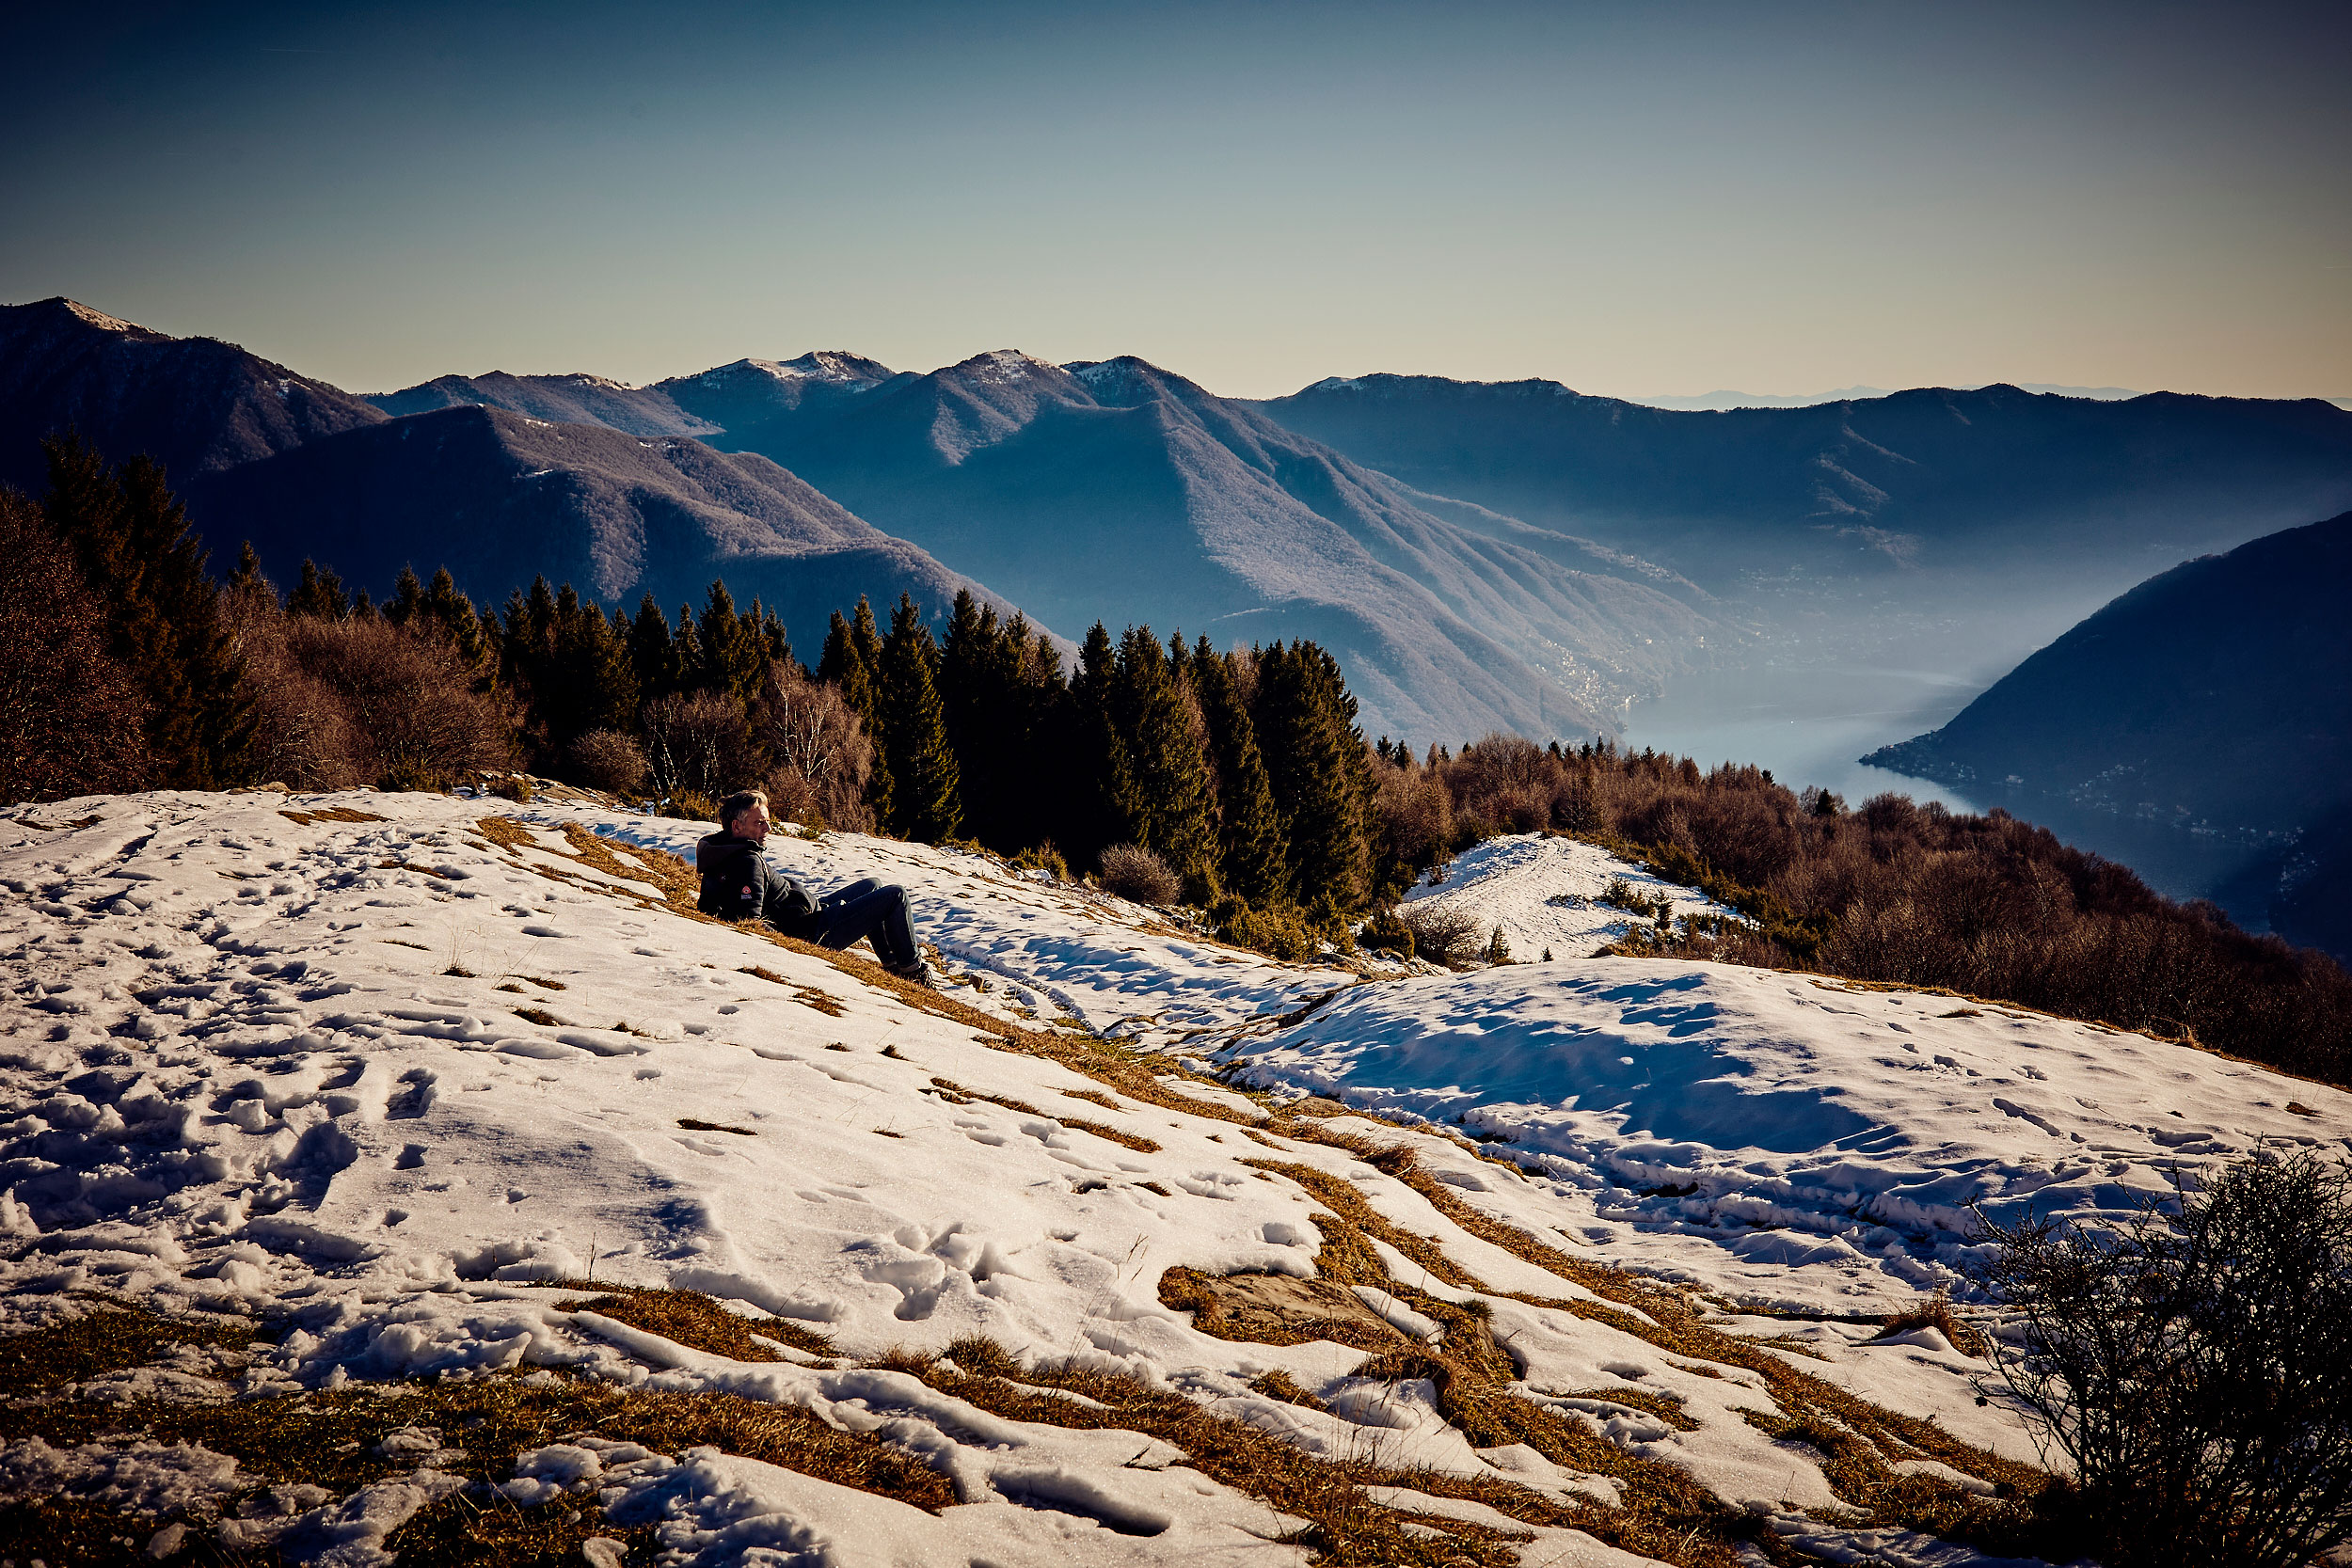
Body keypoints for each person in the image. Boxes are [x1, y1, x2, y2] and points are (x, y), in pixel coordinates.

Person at [695, 789, 930, 984]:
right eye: (759, 823)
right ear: (737, 826)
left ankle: (891, 963)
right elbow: (751, 923)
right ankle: (912, 972)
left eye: (767, 822)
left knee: (873, 885)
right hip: (814, 932)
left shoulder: (721, 850)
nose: (767, 829)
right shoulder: (747, 861)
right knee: (895, 895)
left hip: (811, 914)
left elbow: (710, 902)